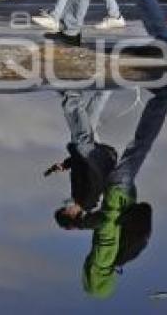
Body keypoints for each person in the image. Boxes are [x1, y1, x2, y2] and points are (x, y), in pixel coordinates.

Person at [79, 87, 167, 298]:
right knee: (139, 144)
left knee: (87, 149)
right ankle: (165, 96)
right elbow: (107, 225)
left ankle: (102, 92)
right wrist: (81, 223)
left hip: (121, 195)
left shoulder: (116, 261)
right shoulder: (102, 262)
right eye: (86, 278)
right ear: (92, 278)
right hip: (116, 193)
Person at [47, 90, 116, 229]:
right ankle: (72, 95)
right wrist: (85, 154)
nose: (65, 206)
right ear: (71, 214)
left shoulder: (79, 198)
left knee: (91, 118)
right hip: (91, 154)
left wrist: (64, 165)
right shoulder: (88, 201)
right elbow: (95, 174)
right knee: (79, 131)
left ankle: (105, 89)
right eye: (64, 209)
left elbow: (80, 168)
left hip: (88, 155)